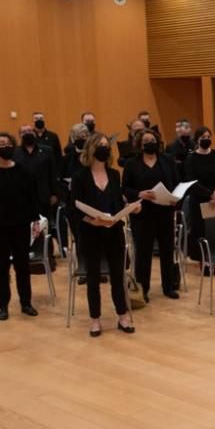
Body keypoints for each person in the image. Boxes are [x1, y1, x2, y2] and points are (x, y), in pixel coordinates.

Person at [69, 133, 137, 336]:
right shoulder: (80, 176)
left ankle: (122, 316)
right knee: (93, 277)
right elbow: (73, 209)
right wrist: (91, 220)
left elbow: (117, 201)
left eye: (107, 146)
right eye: (100, 145)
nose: (104, 149)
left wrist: (128, 209)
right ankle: (95, 319)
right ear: (91, 148)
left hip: (113, 231)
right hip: (91, 232)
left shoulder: (114, 174)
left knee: (118, 276)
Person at [0, 132, 41, 321]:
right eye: (1, 144)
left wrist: (35, 221)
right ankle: (3, 305)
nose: (5, 146)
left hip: (20, 224)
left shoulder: (22, 170)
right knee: (1, 266)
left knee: (23, 266)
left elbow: (31, 199)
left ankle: (26, 303)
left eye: (8, 143)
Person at [122, 129, 181, 302]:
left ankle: (168, 286)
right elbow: (125, 188)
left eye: (153, 139)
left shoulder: (167, 160)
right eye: (146, 140)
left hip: (164, 211)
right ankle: (143, 288)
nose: (150, 143)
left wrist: (174, 199)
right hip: (142, 214)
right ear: (140, 144)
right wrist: (140, 193)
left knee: (167, 249)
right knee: (143, 252)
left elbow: (177, 183)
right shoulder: (132, 164)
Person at [183, 126, 215, 271]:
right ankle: (204, 261)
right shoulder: (191, 158)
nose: (206, 139)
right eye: (203, 137)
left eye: (208, 137)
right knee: (200, 231)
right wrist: (209, 194)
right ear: (197, 140)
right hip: (199, 199)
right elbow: (192, 181)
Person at [13, 123, 59, 220]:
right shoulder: (14, 153)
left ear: (34, 133)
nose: (27, 133)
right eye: (24, 132)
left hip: (43, 196)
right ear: (19, 135)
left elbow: (53, 173)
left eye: (30, 131)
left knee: (45, 227)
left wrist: (54, 193)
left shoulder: (47, 150)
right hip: (22, 197)